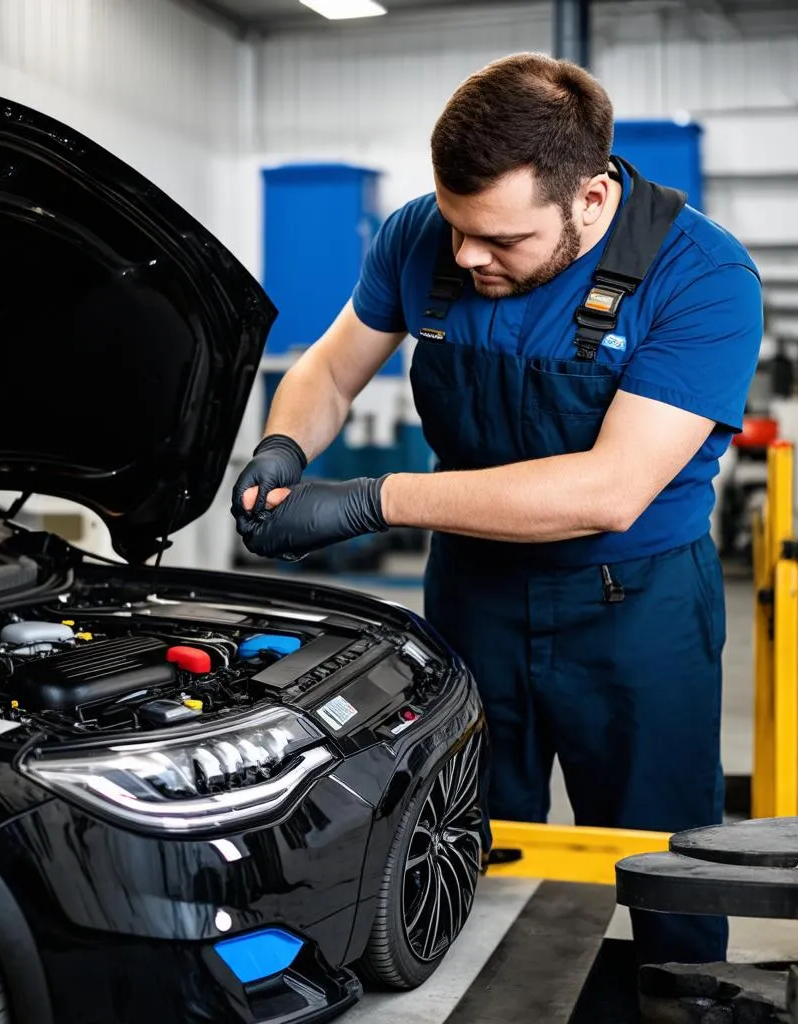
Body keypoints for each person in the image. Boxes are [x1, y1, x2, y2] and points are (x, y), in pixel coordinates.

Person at [231, 52, 763, 968]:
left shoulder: (702, 277)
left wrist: (371, 499)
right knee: (455, 841)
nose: (469, 254)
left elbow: (608, 490)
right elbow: (328, 366)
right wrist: (285, 445)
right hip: (474, 595)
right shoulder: (419, 238)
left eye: (501, 240)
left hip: (635, 612)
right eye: (456, 227)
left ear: (590, 199)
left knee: (664, 867)